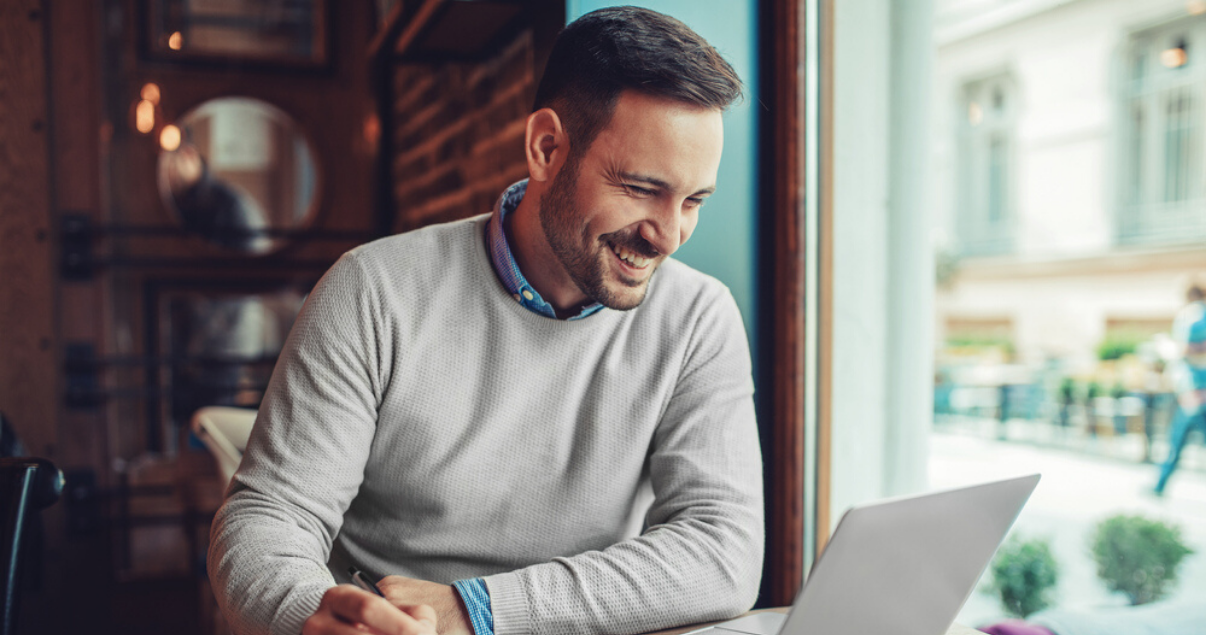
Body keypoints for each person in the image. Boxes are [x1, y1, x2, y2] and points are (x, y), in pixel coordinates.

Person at [207, 7, 763, 635]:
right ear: (547, 148)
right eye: (640, 188)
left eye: (693, 201)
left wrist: (478, 610)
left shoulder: (698, 320)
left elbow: (724, 549)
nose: (669, 235)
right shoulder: (373, 290)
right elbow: (268, 516)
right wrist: (314, 615)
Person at [1153, 284, 1206, 496]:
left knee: (1176, 440)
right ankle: (1159, 484)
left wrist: (1169, 348)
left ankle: (1160, 485)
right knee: (1177, 439)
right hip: (1196, 390)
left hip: (1194, 391)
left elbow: (1185, 349)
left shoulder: (1192, 316)